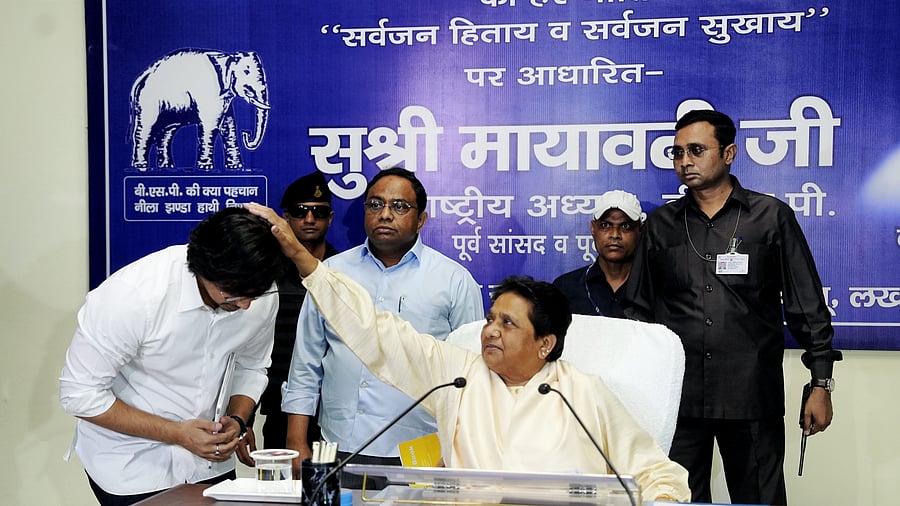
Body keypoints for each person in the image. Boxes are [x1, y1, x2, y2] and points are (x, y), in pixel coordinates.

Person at [245, 202, 692, 503]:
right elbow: (376, 332)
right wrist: (306, 262)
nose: (490, 331)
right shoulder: (456, 375)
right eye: (491, 319)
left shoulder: (579, 392)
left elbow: (657, 473)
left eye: (508, 323)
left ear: (545, 343)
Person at [623, 109, 842, 505]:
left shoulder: (770, 217)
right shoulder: (660, 226)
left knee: (759, 498)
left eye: (696, 150)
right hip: (679, 400)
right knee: (675, 498)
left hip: (750, 395)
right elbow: (638, 314)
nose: (684, 161)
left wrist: (821, 384)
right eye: (676, 153)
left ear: (729, 153)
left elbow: (806, 305)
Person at [59, 207, 288, 506]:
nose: (245, 305)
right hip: (131, 464)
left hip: (209, 460)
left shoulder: (259, 291)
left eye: (253, 295)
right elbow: (79, 394)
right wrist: (177, 433)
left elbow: (252, 365)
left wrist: (237, 419)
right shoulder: (133, 297)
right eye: (233, 294)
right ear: (204, 269)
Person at [280, 168, 484, 488]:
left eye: (400, 207)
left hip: (421, 450)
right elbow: (305, 364)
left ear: (421, 220)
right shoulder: (330, 274)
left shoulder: (454, 281)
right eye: (375, 204)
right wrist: (297, 440)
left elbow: (472, 379)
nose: (385, 214)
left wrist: (461, 448)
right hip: (335, 446)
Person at [244, 171, 341, 452]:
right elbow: (248, 347)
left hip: (338, 408)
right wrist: (244, 419)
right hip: (281, 408)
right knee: (285, 494)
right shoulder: (266, 272)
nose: (309, 219)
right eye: (300, 212)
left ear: (331, 218)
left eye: (318, 213)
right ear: (286, 218)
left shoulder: (345, 271)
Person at [553, 190, 645, 317]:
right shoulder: (566, 287)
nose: (615, 235)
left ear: (640, 230)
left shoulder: (656, 289)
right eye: (605, 225)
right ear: (593, 228)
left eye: (625, 227)